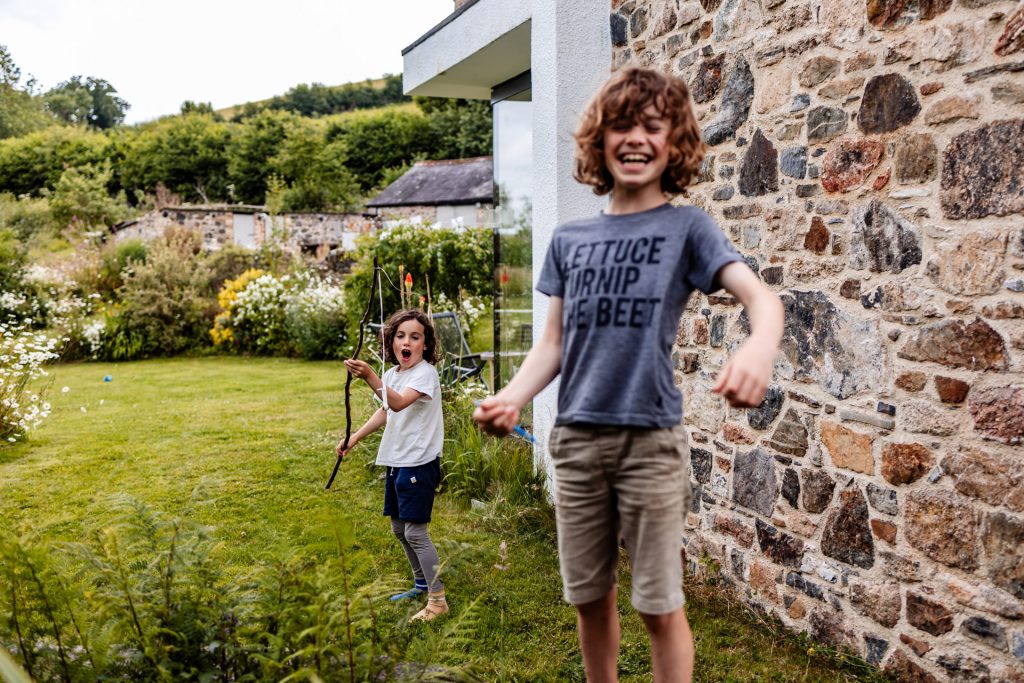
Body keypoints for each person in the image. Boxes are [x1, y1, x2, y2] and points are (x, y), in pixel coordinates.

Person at [474, 67, 784, 682]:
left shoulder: (686, 228)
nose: (635, 137)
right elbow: (553, 344)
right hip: (578, 439)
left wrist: (757, 350)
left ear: (675, 142)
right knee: (590, 598)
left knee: (657, 604)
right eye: (621, 125)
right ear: (599, 140)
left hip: (649, 441)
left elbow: (762, 300)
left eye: (652, 125)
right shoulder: (570, 239)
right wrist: (511, 396)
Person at [339, 308, 449, 622]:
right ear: (391, 341)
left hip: (419, 462)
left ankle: (438, 600)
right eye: (400, 335)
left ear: (425, 345)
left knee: (416, 532)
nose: (407, 341)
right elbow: (387, 411)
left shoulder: (425, 373)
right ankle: (420, 582)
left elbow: (399, 402)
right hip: (398, 461)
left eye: (415, 336)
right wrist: (354, 437)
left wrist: (369, 376)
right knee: (399, 528)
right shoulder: (393, 375)